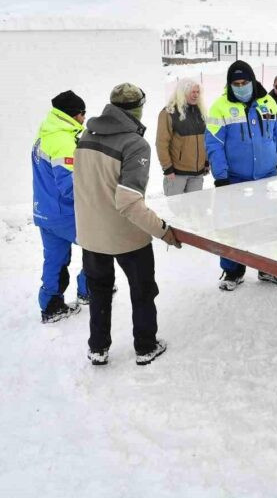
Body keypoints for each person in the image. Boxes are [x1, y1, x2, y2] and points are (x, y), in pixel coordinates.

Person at [74, 83, 182, 366]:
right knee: (143, 291)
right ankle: (145, 346)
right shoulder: (135, 144)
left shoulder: (86, 136)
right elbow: (129, 202)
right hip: (127, 237)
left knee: (99, 291)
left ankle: (98, 348)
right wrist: (163, 231)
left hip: (91, 235)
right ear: (138, 109)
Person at [205, 60, 277, 291]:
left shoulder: (269, 104)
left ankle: (269, 268)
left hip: (268, 178)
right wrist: (221, 176)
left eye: (244, 82)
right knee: (232, 227)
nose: (240, 86)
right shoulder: (220, 107)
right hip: (236, 180)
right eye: (235, 83)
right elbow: (214, 145)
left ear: (252, 80)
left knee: (271, 223)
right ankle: (233, 270)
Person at [32, 90, 88, 323]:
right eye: (83, 113)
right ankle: (89, 291)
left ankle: (51, 305)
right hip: (66, 214)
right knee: (97, 248)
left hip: (44, 212)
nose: (85, 118)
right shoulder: (64, 140)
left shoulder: (44, 134)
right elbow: (70, 186)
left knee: (54, 259)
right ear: (74, 115)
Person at [156, 77, 208, 196]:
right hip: (176, 174)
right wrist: (167, 168)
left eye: (197, 92)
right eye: (192, 92)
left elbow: (205, 140)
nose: (196, 95)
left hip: (197, 174)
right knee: (176, 210)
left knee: (195, 210)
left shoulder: (201, 112)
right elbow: (161, 143)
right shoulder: (169, 112)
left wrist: (206, 161)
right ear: (182, 93)